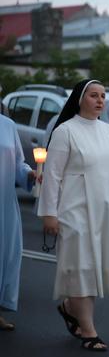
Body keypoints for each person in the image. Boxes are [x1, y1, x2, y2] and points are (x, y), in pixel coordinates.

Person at [38, 79, 109, 352]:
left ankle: (72, 309)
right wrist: (49, 213)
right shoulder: (65, 131)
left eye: (103, 96)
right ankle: (89, 330)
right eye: (94, 95)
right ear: (80, 99)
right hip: (75, 209)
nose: (100, 100)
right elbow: (52, 174)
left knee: (96, 269)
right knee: (80, 266)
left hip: (108, 210)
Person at [0, 114, 35, 331]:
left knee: (6, 254)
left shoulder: (8, 124)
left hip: (4, 201)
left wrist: (30, 174)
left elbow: (18, 163)